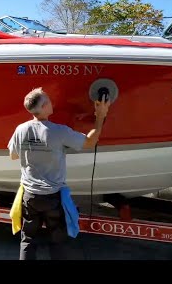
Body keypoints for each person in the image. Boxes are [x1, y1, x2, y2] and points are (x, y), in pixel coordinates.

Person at [7, 87, 110, 260]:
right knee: (58, 241)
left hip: (29, 197)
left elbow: (13, 155)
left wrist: (32, 148)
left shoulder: (20, 130)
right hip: (52, 198)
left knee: (28, 241)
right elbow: (91, 142)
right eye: (49, 100)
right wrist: (100, 116)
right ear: (45, 106)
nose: (51, 102)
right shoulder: (59, 132)